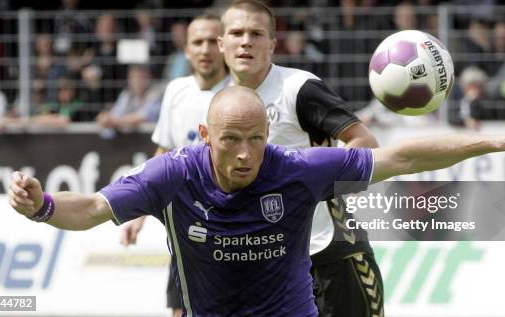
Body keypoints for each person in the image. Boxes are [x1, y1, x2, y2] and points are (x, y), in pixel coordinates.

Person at [9, 86, 505, 316]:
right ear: (205, 134)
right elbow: (95, 209)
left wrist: (499, 141)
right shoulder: (172, 175)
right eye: (231, 140)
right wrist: (43, 208)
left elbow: (403, 158)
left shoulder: (297, 170)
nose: (245, 154)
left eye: (255, 139)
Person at [125, 2, 385, 316]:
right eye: (236, 33)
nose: (246, 41)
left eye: (256, 34)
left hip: (328, 255)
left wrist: (321, 185)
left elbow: (364, 142)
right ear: (222, 43)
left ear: (272, 44)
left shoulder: (299, 88)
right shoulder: (221, 104)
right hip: (268, 268)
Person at [120, 14, 229, 317]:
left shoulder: (240, 90)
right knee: (180, 309)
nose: (205, 49)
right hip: (187, 224)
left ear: (223, 46)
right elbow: (163, 154)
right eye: (197, 42)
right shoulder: (176, 90)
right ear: (186, 50)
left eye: (211, 41)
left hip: (233, 224)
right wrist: (138, 213)